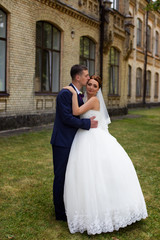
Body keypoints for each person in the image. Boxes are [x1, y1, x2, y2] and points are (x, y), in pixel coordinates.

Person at [63, 75, 148, 234]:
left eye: (95, 86)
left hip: (91, 137)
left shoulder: (93, 100)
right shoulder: (86, 99)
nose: (91, 88)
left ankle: (103, 211)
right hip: (84, 135)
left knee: (96, 173)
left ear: (98, 89)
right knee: (85, 175)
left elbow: (76, 111)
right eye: (89, 84)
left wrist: (73, 93)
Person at [50, 65, 98, 221]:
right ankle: (60, 212)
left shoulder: (79, 94)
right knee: (60, 176)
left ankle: (69, 205)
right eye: (85, 76)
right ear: (78, 77)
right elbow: (67, 118)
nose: (88, 78)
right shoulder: (65, 93)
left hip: (74, 142)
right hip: (62, 141)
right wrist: (86, 124)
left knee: (70, 176)